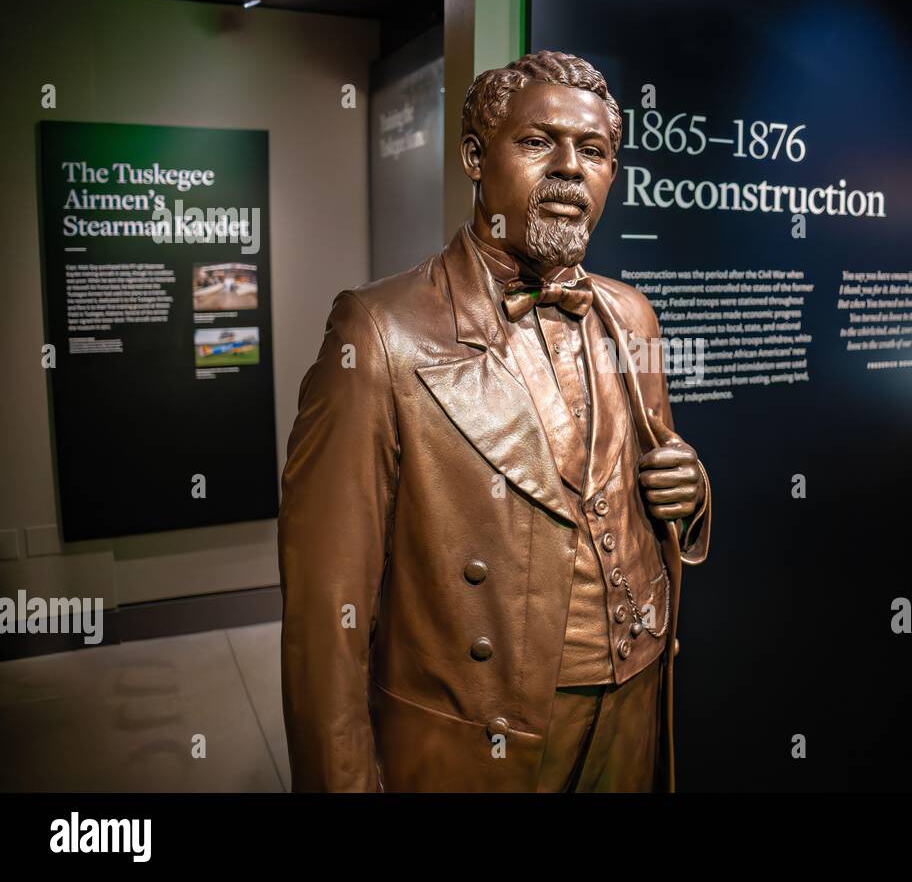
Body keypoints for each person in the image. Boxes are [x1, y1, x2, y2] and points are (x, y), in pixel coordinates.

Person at [279, 51, 712, 792]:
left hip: (636, 695)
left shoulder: (633, 313)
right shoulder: (381, 332)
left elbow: (643, 478)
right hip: (492, 729)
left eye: (596, 152)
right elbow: (327, 614)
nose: (572, 169)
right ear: (475, 157)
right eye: (540, 142)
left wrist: (691, 494)